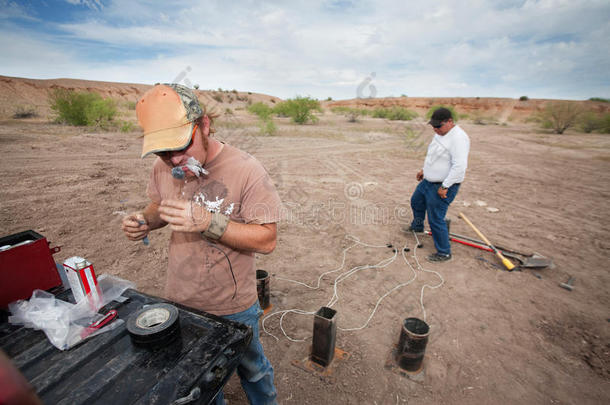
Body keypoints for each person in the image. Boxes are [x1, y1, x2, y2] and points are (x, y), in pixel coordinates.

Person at [121, 83, 281, 405]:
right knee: (203, 381)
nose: (175, 159)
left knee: (253, 370)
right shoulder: (163, 167)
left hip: (233, 305)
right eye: (163, 152)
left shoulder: (247, 170)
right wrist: (144, 220)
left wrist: (210, 222)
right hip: (182, 300)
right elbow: (158, 206)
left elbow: (267, 239)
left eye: (182, 146)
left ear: (204, 125)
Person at [405, 107, 470, 262]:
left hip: (443, 185)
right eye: (433, 126)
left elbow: (459, 167)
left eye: (438, 126)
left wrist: (445, 186)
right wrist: (424, 170)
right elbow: (434, 156)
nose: (435, 129)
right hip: (428, 181)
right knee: (416, 201)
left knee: (435, 218)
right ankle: (417, 227)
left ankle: (444, 252)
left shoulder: (459, 138)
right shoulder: (439, 135)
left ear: (449, 122)